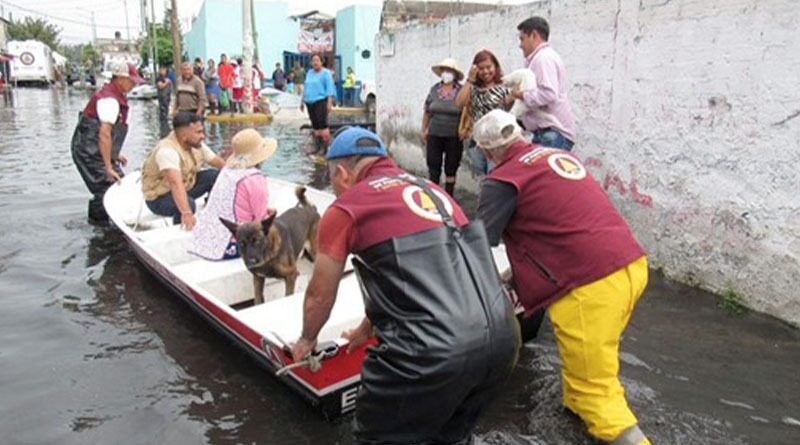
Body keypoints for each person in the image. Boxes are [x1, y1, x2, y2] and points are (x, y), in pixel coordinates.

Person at [290, 127, 520, 445]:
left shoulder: (346, 208)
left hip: (432, 354)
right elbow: (418, 275)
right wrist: (366, 328)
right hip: (501, 340)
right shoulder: (434, 191)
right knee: (449, 438)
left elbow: (320, 293)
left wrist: (306, 339)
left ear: (342, 173)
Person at [473, 110, 650, 445]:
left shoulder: (503, 180)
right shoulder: (556, 156)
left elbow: (477, 244)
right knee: (586, 366)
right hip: (629, 265)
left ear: (486, 151)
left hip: (588, 285)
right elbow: (557, 224)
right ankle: (575, 415)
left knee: (597, 393)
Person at [71, 62, 142, 223]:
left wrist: (114, 154)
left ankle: (104, 225)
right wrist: (108, 167)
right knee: (108, 188)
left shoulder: (115, 96)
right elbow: (103, 134)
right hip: (88, 152)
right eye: (131, 81)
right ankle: (99, 228)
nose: (133, 85)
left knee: (119, 186)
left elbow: (107, 135)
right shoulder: (109, 100)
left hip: (94, 149)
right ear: (120, 79)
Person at [189, 129, 276, 260]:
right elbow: (261, 222)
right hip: (231, 245)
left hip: (203, 240)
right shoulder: (255, 178)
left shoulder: (226, 171)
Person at [141, 112, 226, 229]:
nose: (203, 136)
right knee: (189, 205)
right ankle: (180, 229)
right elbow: (175, 183)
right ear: (183, 136)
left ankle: (213, 214)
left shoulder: (196, 144)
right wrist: (186, 212)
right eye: (198, 132)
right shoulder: (167, 151)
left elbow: (219, 163)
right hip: (159, 198)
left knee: (216, 176)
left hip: (186, 186)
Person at [512, 16, 576, 150]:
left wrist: (521, 95)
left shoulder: (543, 58)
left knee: (542, 171)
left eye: (522, 39)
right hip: (547, 133)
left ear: (534, 35)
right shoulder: (540, 58)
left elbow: (548, 94)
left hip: (552, 133)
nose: (520, 45)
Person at [455, 49, 514, 174]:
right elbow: (458, 104)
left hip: (497, 144)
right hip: (477, 144)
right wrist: (469, 80)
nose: (485, 71)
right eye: (481, 68)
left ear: (495, 66)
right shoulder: (473, 89)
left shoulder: (504, 87)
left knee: (495, 177)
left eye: (489, 67)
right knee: (481, 179)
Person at [422, 58, 464, 197]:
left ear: (455, 74)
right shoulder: (434, 90)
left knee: (451, 168)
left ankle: (449, 197)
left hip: (453, 135)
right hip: (434, 134)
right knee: (433, 167)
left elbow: (466, 111)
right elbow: (427, 110)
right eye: (445, 70)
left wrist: (464, 129)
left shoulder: (461, 91)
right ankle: (434, 198)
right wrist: (424, 129)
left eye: (450, 71)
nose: (447, 73)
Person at [302, 54, 336, 150]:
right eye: (313, 61)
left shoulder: (326, 73)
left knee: (323, 125)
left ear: (321, 62)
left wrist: (329, 103)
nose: (315, 63)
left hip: (320, 101)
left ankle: (326, 148)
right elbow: (306, 87)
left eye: (317, 60)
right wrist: (302, 100)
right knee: (315, 126)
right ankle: (318, 147)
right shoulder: (309, 73)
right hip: (309, 102)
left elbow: (330, 89)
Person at [155, 65, 173, 137]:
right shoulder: (159, 78)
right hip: (162, 98)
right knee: (163, 114)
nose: (162, 71)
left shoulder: (168, 78)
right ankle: (163, 130)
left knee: (166, 111)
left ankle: (166, 130)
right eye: (161, 70)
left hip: (167, 98)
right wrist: (166, 83)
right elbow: (160, 86)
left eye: (164, 69)